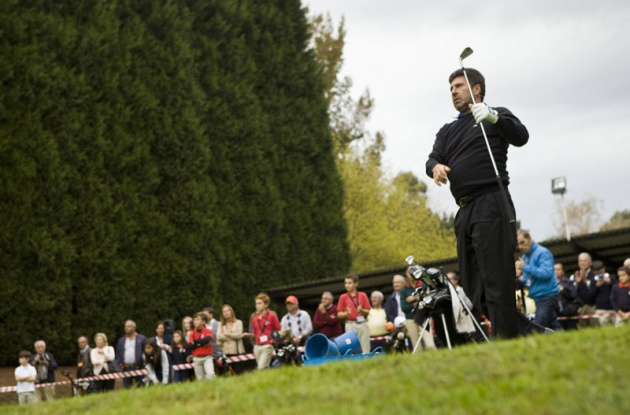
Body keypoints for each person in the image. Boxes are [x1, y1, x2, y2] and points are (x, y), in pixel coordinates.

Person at [426, 67, 528, 339]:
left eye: (458, 86)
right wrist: (435, 167)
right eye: (451, 89)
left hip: (491, 203)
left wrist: (494, 117)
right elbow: (432, 158)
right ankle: (529, 332)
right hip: (464, 211)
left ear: (477, 88)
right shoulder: (447, 131)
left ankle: (506, 342)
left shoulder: (495, 116)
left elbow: (521, 136)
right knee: (472, 288)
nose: (454, 92)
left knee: (497, 281)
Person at [515, 229, 562, 330]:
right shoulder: (525, 257)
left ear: (529, 238)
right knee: (554, 326)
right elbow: (529, 280)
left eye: (522, 242)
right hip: (538, 298)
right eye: (518, 244)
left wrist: (524, 267)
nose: (520, 247)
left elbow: (546, 273)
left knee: (537, 328)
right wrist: (518, 280)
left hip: (547, 296)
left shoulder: (542, 252)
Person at [244, 293, 281, 370]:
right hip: (257, 346)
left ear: (266, 304)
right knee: (265, 369)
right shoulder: (254, 319)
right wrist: (248, 335)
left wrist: (275, 340)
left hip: (268, 345)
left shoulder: (272, 316)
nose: (257, 305)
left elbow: (279, 329)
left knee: (261, 368)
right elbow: (255, 334)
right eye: (256, 303)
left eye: (260, 303)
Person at [337, 274, 371, 354]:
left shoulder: (363, 295)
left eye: (350, 283)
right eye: (346, 283)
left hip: (362, 323)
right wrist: (346, 313)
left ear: (356, 284)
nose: (347, 285)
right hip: (350, 324)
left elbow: (368, 311)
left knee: (365, 348)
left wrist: (361, 310)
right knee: (351, 348)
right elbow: (339, 315)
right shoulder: (343, 297)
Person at [116, 319, 147, 388]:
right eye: (125, 326)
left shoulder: (142, 339)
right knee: (127, 389)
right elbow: (118, 353)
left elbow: (146, 351)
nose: (126, 328)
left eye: (128, 326)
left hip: (139, 367)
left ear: (134, 328)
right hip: (126, 368)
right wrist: (120, 365)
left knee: (141, 388)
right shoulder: (121, 340)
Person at [217, 304, 246, 375]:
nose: (226, 313)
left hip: (238, 351)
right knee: (229, 374)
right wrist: (233, 336)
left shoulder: (238, 322)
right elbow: (219, 336)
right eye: (224, 311)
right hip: (226, 352)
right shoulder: (220, 324)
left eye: (228, 311)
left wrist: (227, 334)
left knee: (239, 373)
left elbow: (239, 335)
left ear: (231, 312)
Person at [588, 261, 617, 326]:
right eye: (597, 271)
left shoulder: (611, 278)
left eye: (601, 270)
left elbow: (618, 290)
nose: (600, 272)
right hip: (601, 309)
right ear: (594, 272)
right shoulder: (593, 281)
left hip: (614, 308)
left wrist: (610, 283)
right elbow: (590, 297)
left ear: (604, 268)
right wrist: (596, 287)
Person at [188, 311, 215, 380]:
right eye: (194, 320)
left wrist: (196, 342)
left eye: (198, 320)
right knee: (200, 378)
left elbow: (207, 340)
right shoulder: (192, 333)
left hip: (207, 357)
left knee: (210, 375)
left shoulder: (207, 331)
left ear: (203, 322)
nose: (195, 321)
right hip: (196, 358)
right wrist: (202, 343)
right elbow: (190, 346)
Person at [574, 252, 598, 328]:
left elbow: (595, 291)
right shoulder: (574, 276)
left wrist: (585, 281)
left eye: (585, 261)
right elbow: (573, 293)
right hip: (580, 306)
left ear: (590, 263)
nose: (583, 263)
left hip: (593, 306)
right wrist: (578, 283)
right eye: (581, 261)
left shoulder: (595, 275)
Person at [555, 263, 580, 330]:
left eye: (558, 269)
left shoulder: (569, 282)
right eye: (554, 270)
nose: (556, 271)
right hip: (555, 312)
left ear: (563, 271)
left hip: (568, 311)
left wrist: (563, 291)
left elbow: (574, 296)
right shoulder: (549, 284)